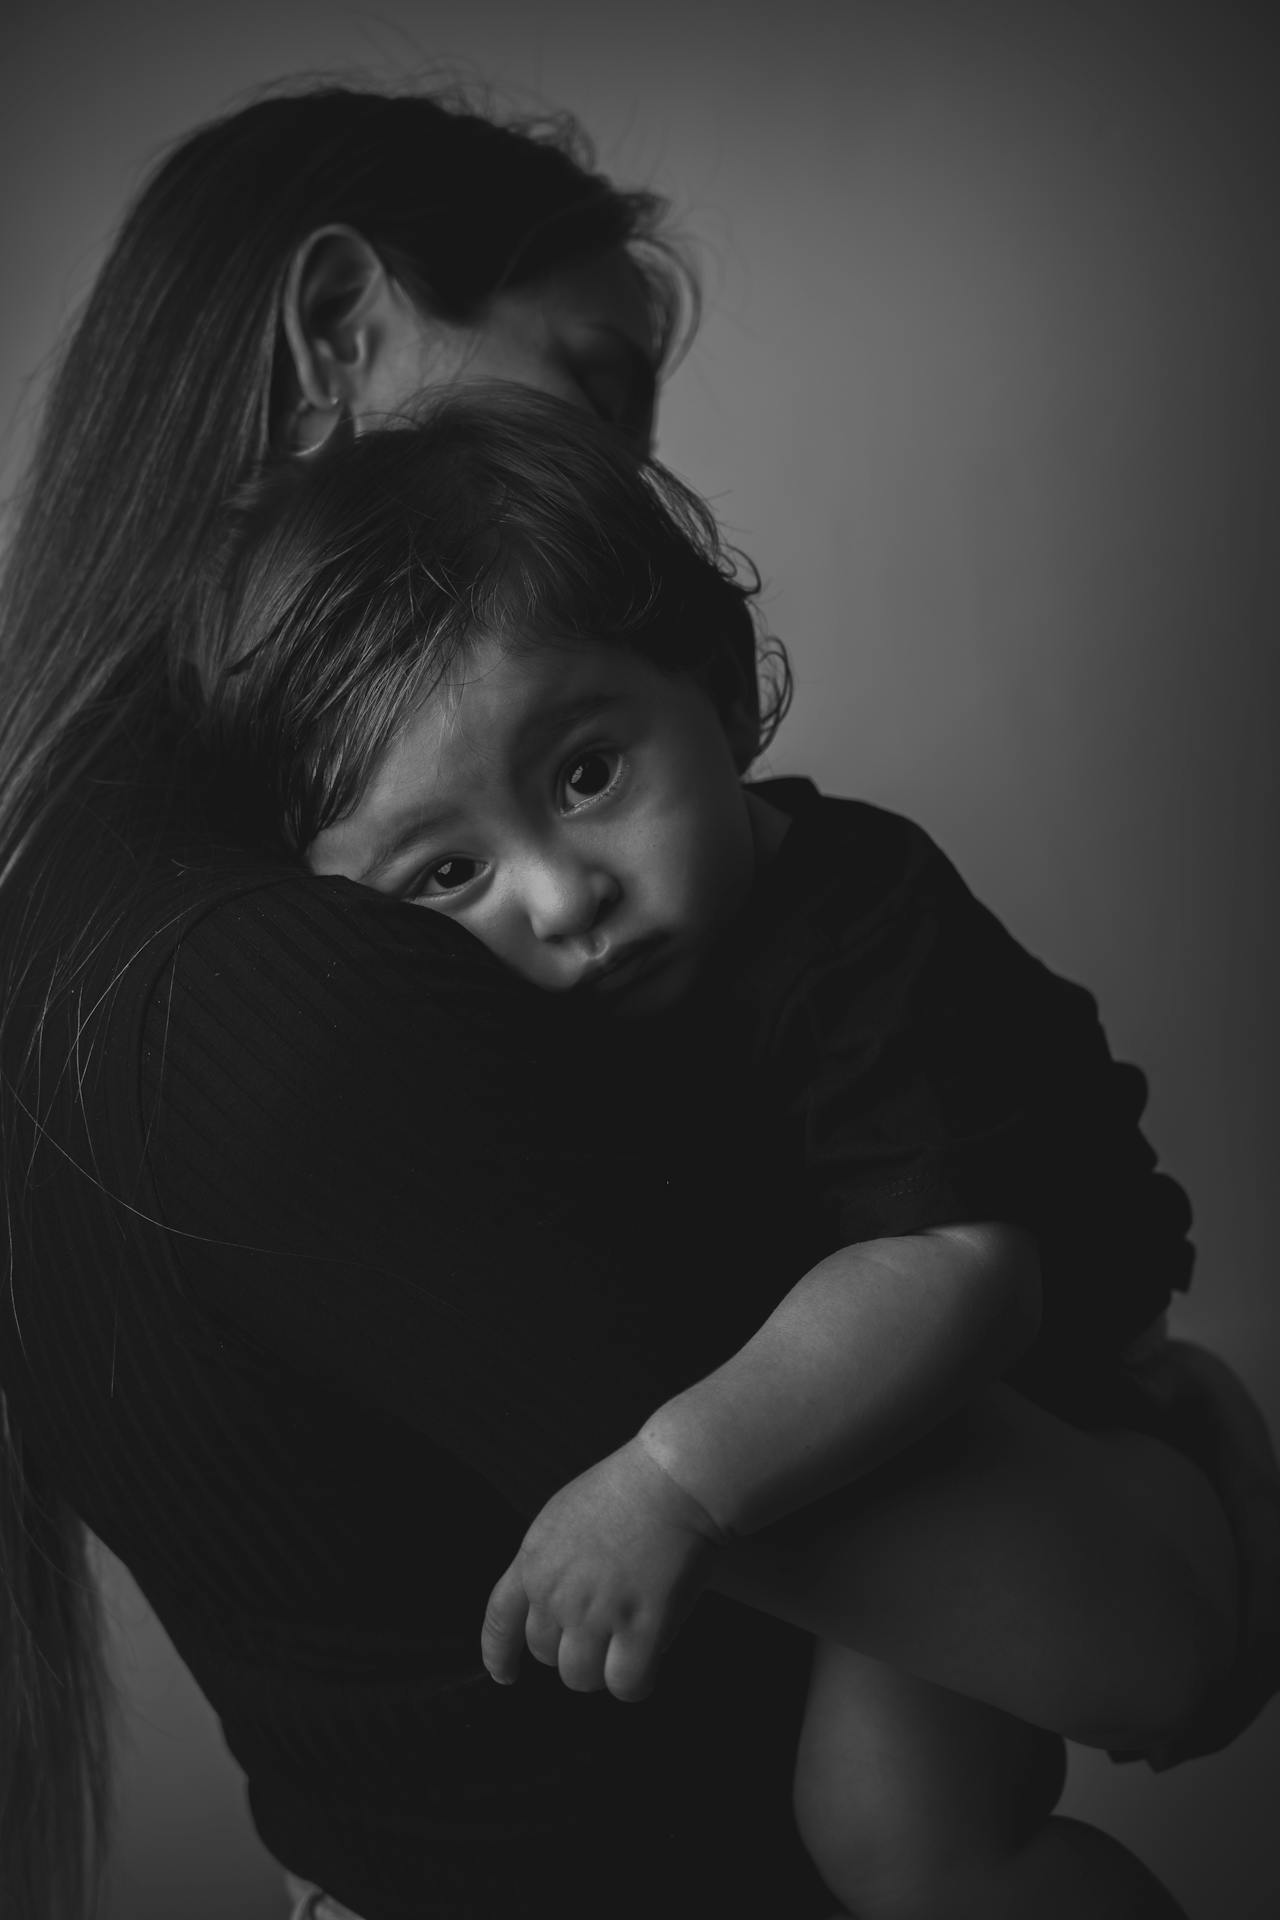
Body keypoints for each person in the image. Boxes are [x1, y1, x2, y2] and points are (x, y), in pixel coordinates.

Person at [0, 79, 1275, 1920]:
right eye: (590, 384)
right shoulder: (284, 990)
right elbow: (1148, 1645)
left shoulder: (100, 927)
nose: (619, 483)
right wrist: (1217, 1460)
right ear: (346, 331)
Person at [192, 387, 1262, 1918]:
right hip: (843, 1407)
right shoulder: (483, 1013)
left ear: (711, 686)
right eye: (446, 872)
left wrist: (675, 1483)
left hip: (1044, 1390)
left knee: (904, 1842)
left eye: (585, 776)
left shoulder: (855, 923)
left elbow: (964, 1276)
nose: (563, 898)